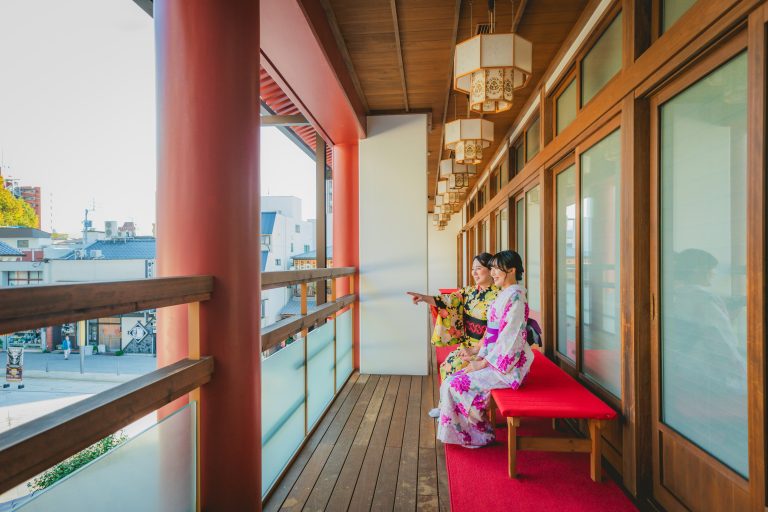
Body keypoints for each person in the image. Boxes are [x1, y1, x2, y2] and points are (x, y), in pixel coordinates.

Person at [436, 250, 534, 448]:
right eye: (492, 268)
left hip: (508, 366)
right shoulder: (505, 294)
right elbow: (492, 333)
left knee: (457, 385)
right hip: (494, 358)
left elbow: (511, 339)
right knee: (449, 381)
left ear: (512, 270)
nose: (493, 272)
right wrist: (478, 354)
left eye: (497, 269)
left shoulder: (515, 297)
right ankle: (469, 430)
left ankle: (480, 433)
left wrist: (482, 363)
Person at [408, 253, 500, 417]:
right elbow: (447, 301)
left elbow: (495, 329)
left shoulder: (498, 296)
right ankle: (446, 407)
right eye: (473, 269)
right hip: (467, 346)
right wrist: (424, 298)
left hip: (486, 349)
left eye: (479, 268)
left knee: (455, 368)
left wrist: (479, 349)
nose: (474, 273)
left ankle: (454, 412)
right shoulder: (469, 291)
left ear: (490, 270)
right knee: (446, 365)